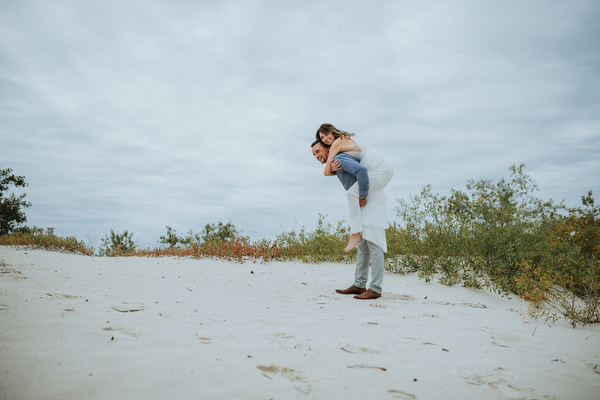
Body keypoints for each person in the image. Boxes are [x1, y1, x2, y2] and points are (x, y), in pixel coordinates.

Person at [311, 140, 388, 300]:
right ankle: (359, 285)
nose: (317, 156)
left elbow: (361, 171)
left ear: (328, 148)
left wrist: (363, 196)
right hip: (364, 200)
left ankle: (375, 288)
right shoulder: (336, 162)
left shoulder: (340, 158)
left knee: (374, 243)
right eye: (314, 154)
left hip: (370, 200)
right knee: (363, 245)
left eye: (318, 151)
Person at [315, 123, 394, 253]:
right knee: (354, 192)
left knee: (352, 193)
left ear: (331, 131)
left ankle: (355, 233)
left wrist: (363, 196)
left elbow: (326, 172)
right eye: (321, 138)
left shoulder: (337, 143)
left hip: (377, 165)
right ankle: (359, 231)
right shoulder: (344, 139)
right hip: (379, 163)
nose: (324, 139)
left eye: (325, 135)